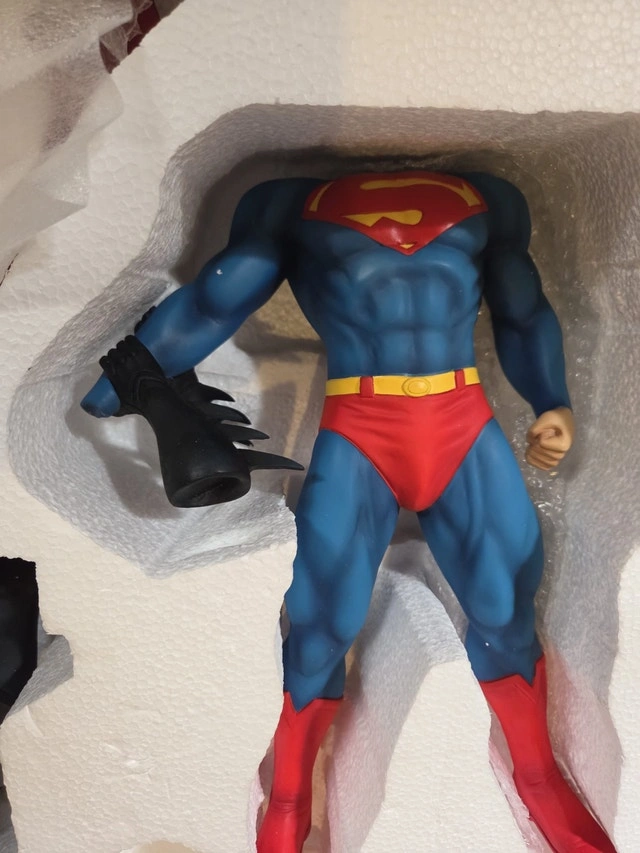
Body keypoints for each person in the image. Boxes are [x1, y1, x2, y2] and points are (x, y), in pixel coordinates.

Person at [82, 170, 616, 853]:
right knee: (320, 621)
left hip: (459, 419)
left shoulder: (491, 196)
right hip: (362, 427)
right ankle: (288, 796)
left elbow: (523, 309)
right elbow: (219, 297)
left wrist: (552, 400)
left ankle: (538, 775)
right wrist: (130, 373)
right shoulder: (287, 201)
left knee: (505, 602)